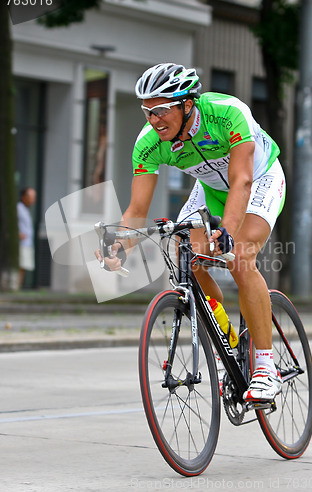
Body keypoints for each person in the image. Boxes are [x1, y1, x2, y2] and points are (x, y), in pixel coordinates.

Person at [96, 63, 286, 403]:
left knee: (239, 256)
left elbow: (242, 179)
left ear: (187, 104)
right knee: (186, 255)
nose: (153, 121)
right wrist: (119, 245)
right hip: (212, 189)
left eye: (160, 111)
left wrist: (227, 231)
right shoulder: (149, 143)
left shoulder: (227, 113)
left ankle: (264, 368)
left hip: (259, 180)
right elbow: (137, 210)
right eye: (147, 112)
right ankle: (225, 333)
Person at [17, 187, 36, 288]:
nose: (33, 200)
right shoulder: (18, 208)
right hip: (21, 243)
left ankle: (17, 287)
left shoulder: (25, 210)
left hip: (27, 243)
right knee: (20, 267)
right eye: (31, 197)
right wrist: (17, 233)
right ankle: (15, 287)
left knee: (23, 267)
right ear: (24, 197)